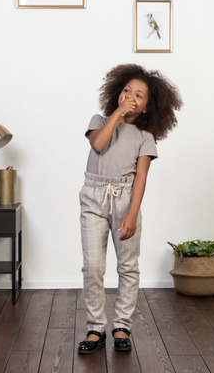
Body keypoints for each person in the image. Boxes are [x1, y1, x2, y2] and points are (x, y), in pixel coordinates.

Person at [78, 64, 182, 354]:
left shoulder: (145, 137)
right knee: (93, 266)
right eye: (127, 90)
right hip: (93, 196)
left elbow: (141, 177)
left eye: (139, 95)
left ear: (149, 107)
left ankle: (122, 324)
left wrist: (132, 213)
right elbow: (98, 145)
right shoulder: (99, 119)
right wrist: (117, 114)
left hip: (125, 197)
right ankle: (95, 328)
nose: (131, 97)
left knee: (127, 265)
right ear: (117, 93)